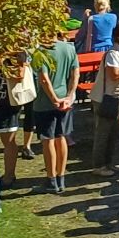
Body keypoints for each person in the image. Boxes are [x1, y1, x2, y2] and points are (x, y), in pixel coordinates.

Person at [31, 23, 79, 197]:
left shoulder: (40, 52)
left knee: (48, 139)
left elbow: (44, 79)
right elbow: (76, 73)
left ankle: (51, 179)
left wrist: (54, 99)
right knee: (61, 137)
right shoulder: (69, 48)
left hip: (45, 103)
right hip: (64, 101)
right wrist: (69, 96)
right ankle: (61, 177)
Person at [87, 18, 119, 172]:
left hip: (118, 98)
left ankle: (108, 163)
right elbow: (114, 75)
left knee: (113, 134)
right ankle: (98, 166)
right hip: (105, 99)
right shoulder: (112, 54)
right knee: (103, 134)